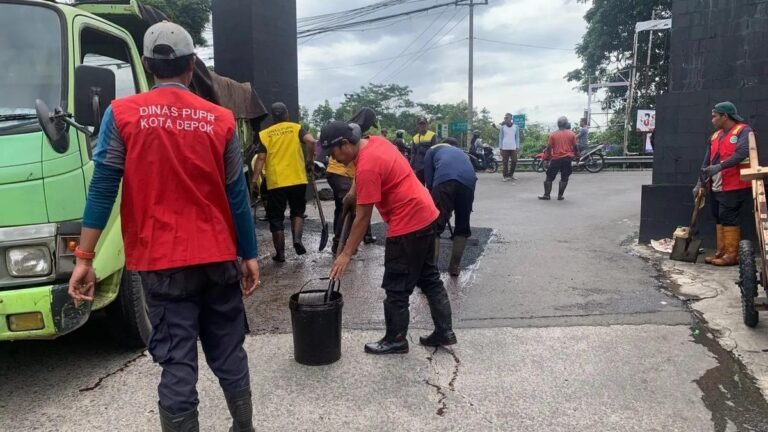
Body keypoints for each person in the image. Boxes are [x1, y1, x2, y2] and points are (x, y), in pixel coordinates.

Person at [67, 22, 260, 431]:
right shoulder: (220, 119)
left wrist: (85, 258)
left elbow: (103, 188)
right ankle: (244, 427)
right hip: (218, 257)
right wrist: (250, 255)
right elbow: (236, 196)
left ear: (145, 64)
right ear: (192, 65)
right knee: (228, 350)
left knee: (177, 360)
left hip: (161, 261)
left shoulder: (122, 115)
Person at [324, 119, 456, 354]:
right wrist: (353, 193)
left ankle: (395, 340)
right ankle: (445, 332)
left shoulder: (367, 168)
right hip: (426, 214)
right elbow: (362, 177)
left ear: (344, 143)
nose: (332, 159)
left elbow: (363, 218)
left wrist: (345, 254)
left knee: (396, 285)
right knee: (429, 278)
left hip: (407, 224)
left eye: (332, 153)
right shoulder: (376, 142)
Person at [252, 102, 316, 262]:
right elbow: (311, 141)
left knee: (276, 218)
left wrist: (254, 180)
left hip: (276, 181)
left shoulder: (265, 134)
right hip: (297, 178)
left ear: (273, 116)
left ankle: (280, 254)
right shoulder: (296, 128)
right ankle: (297, 240)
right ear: (286, 113)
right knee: (297, 211)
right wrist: (309, 161)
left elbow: (260, 158)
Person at [694, 102, 753, 266]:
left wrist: (720, 167)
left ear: (725, 116)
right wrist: (700, 183)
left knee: (729, 218)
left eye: (715, 116)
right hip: (716, 185)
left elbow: (742, 153)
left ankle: (732, 255)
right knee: (718, 217)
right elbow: (706, 162)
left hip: (734, 185)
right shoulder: (715, 136)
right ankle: (721, 251)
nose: (712, 120)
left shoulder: (743, 131)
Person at [326, 109, 378, 253]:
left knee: (342, 208)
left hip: (335, 173)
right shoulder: (354, 130)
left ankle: (339, 243)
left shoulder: (348, 126)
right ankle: (342, 245)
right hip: (340, 172)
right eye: (370, 124)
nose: (369, 127)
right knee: (352, 208)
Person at [424, 137, 477, 277]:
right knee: (462, 224)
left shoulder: (432, 150)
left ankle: (432, 269)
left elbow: (429, 182)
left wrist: (441, 208)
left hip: (444, 181)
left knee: (435, 225)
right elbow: (468, 174)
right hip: (469, 183)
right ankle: (454, 267)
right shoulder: (462, 153)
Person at [539, 116, 579, 201]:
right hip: (567, 159)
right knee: (565, 177)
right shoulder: (572, 134)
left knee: (549, 177)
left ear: (558, 124)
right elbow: (575, 147)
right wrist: (577, 156)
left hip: (556, 159)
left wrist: (547, 159)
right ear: (566, 124)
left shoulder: (552, 135)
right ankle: (560, 196)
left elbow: (549, 148)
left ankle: (547, 195)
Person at [410, 117, 437, 183]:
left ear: (427, 124)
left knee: (430, 185)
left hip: (428, 165)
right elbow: (413, 153)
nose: (422, 126)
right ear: (418, 125)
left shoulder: (432, 135)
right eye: (420, 124)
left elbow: (435, 151)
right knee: (420, 186)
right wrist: (411, 166)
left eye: (424, 123)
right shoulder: (415, 138)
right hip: (418, 167)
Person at [498, 113, 520, 181]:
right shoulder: (502, 127)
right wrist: (500, 148)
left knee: (514, 160)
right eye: (506, 117)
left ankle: (511, 174)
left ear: (511, 118)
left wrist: (517, 147)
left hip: (513, 147)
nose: (507, 118)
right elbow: (500, 138)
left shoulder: (516, 127)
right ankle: (505, 176)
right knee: (505, 162)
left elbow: (517, 138)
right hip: (505, 147)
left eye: (508, 117)